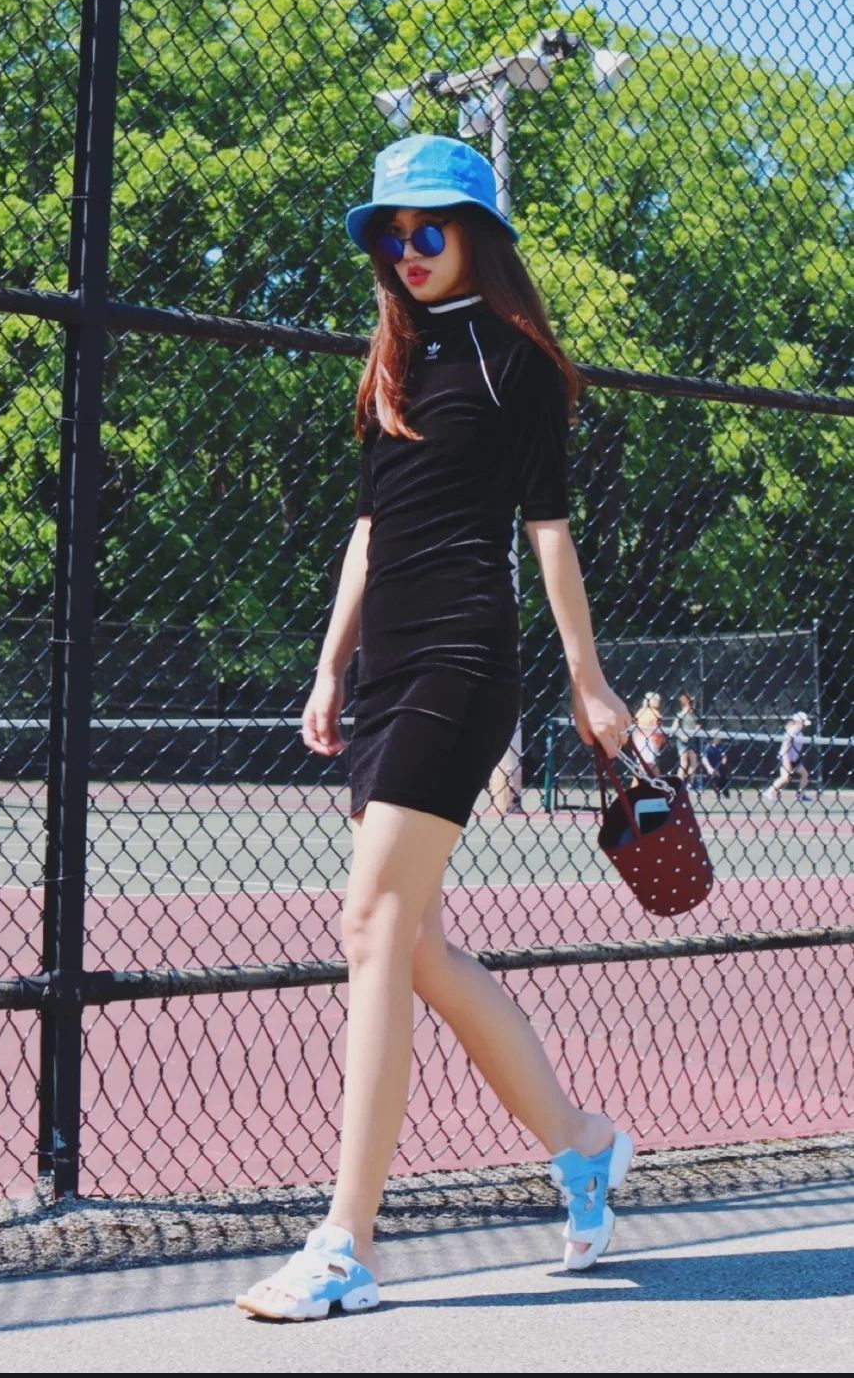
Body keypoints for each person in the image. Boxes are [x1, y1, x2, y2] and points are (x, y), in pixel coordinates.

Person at [236, 133, 635, 1323]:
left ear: (477, 235)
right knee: (410, 944)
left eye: (428, 230)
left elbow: (548, 531)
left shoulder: (518, 362)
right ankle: (583, 1142)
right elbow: (370, 529)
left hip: (463, 661)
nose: (406, 252)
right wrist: (329, 666)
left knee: (369, 923)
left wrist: (588, 682)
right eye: (390, 235)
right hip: (387, 669)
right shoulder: (390, 364)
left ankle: (347, 1244)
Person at [761, 711, 812, 805]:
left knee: (805, 774)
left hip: (794, 759)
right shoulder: (793, 730)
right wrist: (786, 760)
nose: (804, 725)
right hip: (786, 758)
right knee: (785, 778)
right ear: (798, 721)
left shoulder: (798, 731)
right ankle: (768, 792)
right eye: (803, 722)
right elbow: (786, 745)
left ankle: (800, 795)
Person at [670, 692, 703, 789]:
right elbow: (674, 728)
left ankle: (690, 785)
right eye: (692, 703)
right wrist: (681, 736)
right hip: (682, 742)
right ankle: (678, 785)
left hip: (691, 742)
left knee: (694, 763)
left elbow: (697, 727)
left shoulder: (694, 715)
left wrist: (696, 730)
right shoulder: (680, 715)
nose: (694, 705)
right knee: (683, 763)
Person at [633, 691, 666, 769]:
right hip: (651, 741)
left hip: (638, 740)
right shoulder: (655, 713)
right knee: (650, 765)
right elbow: (658, 730)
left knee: (643, 764)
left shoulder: (640, 712)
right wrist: (662, 739)